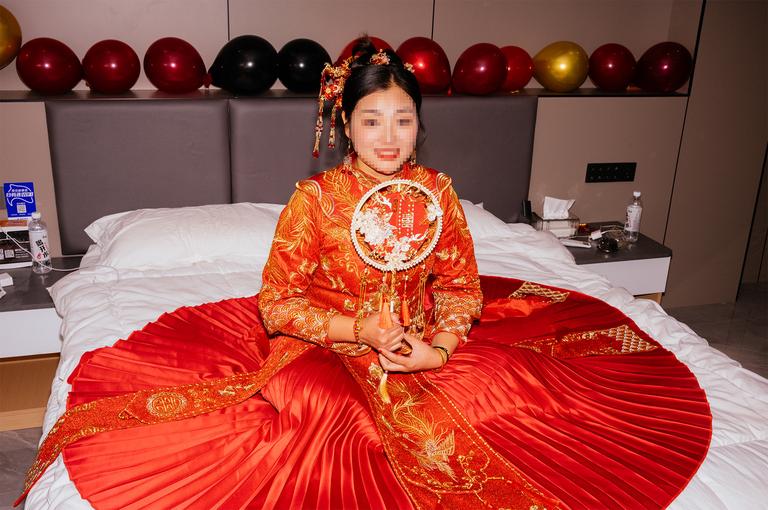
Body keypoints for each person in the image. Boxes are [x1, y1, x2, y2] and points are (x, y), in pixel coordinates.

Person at [17, 39, 711, 510]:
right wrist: (359, 328)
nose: (388, 137)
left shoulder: (437, 194)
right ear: (345, 125)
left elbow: (464, 288)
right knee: (334, 424)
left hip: (419, 338)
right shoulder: (313, 201)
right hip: (323, 345)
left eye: (403, 120)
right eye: (372, 120)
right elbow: (278, 305)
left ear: (418, 126)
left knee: (501, 385)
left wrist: (435, 346)